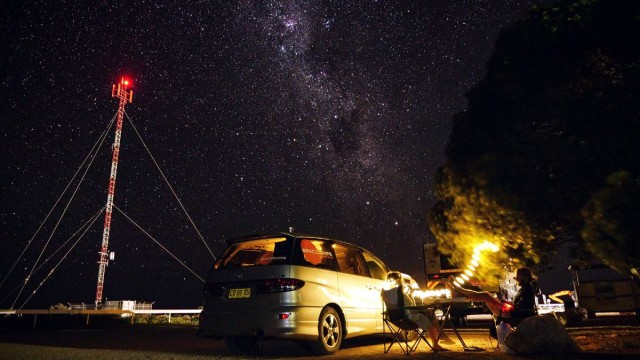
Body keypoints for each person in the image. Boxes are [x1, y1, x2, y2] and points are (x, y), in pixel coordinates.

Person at [384, 272, 450, 351]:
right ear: (400, 280)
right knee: (430, 313)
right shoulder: (402, 293)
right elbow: (411, 307)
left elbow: (398, 307)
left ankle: (440, 337)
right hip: (408, 319)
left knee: (429, 313)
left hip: (393, 319)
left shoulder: (385, 293)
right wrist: (421, 305)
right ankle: (438, 340)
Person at [446, 267, 537, 318]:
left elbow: (522, 307)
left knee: (485, 295)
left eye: (517, 276)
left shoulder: (527, 289)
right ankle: (459, 289)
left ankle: (459, 289)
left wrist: (506, 303)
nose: (515, 278)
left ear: (524, 276)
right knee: (486, 295)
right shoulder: (526, 288)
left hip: (515, 313)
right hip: (513, 311)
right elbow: (521, 305)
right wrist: (504, 302)